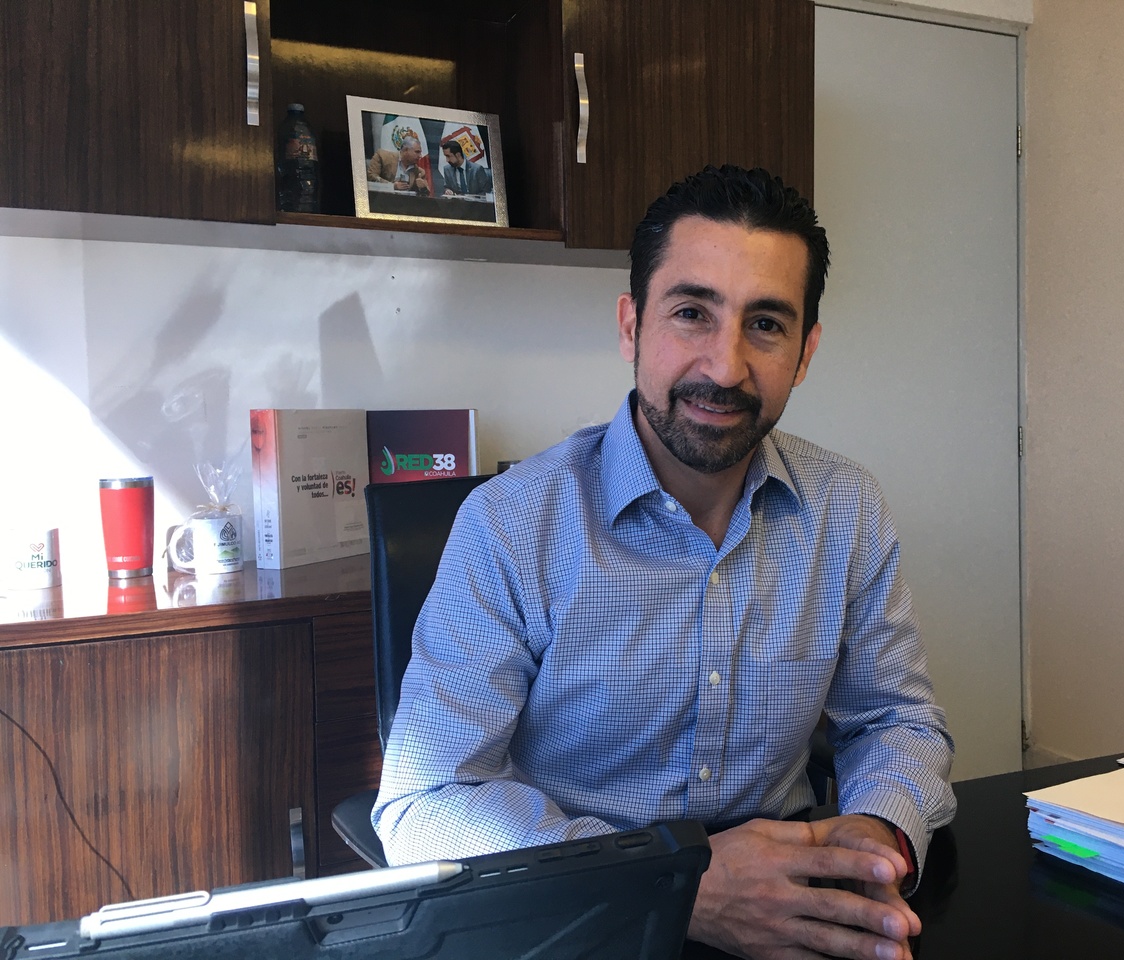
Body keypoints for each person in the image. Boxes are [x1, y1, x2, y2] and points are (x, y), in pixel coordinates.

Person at [374, 164, 955, 960]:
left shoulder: (844, 508)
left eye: (766, 324)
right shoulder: (511, 524)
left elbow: (897, 719)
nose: (725, 366)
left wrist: (872, 837)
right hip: (584, 916)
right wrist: (671, 883)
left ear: (805, 352)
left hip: (788, 909)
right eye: (691, 313)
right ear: (631, 326)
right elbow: (426, 800)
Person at [367, 134, 432, 194]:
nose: (420, 156)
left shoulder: (418, 171)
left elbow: (426, 194)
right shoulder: (383, 157)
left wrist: (423, 188)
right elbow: (371, 176)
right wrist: (392, 186)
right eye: (417, 152)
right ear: (406, 150)